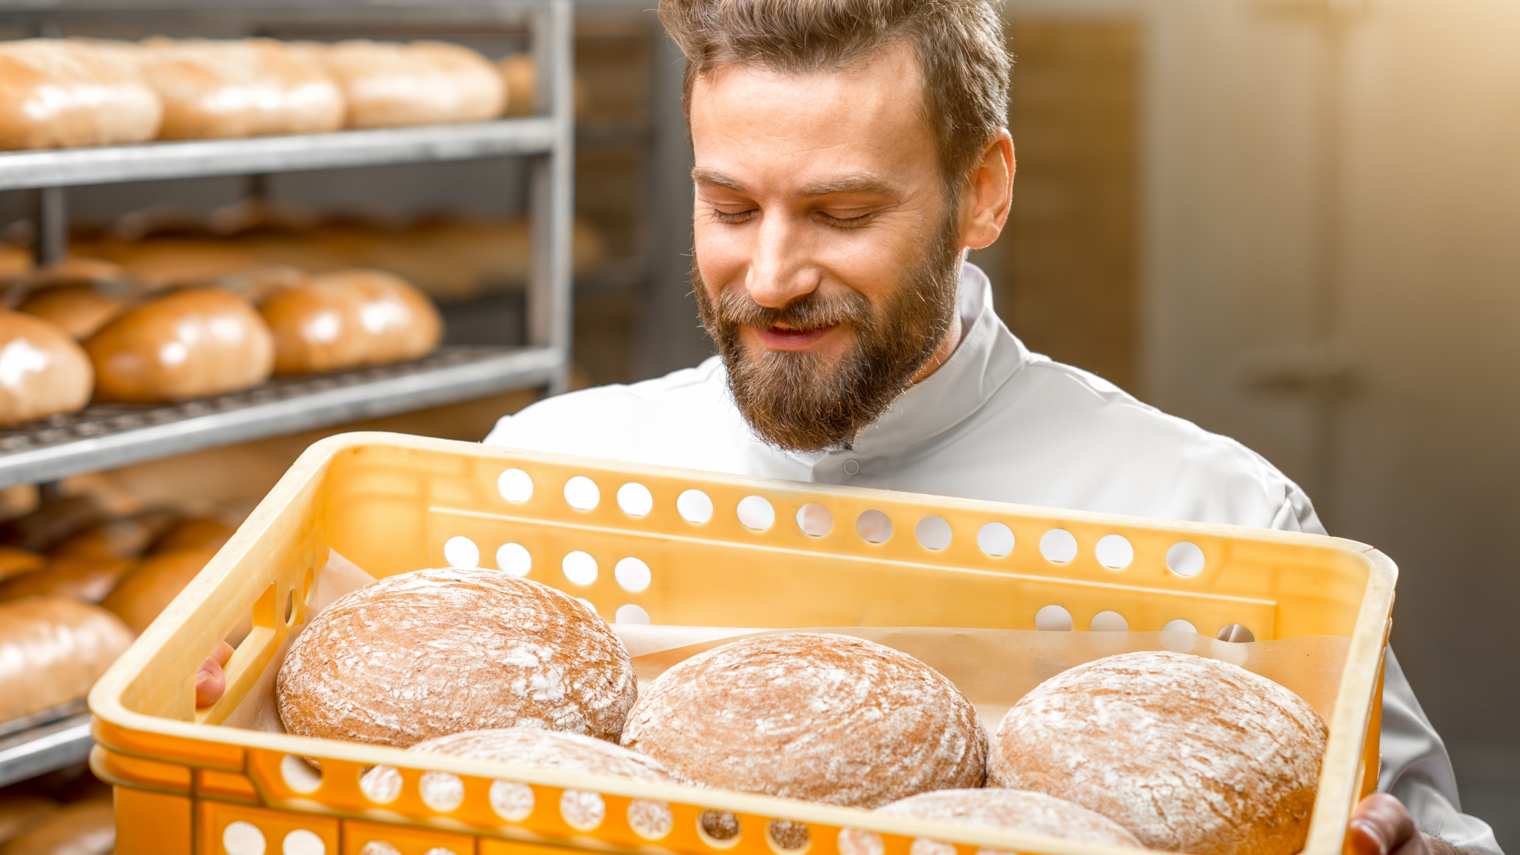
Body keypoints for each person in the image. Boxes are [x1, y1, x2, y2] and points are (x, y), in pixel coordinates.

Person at [195, 1, 1498, 851]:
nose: (768, 273)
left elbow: (1425, 826)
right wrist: (260, 747)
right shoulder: (546, 475)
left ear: (982, 192)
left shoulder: (1212, 521)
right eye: (730, 205)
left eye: (839, 213)